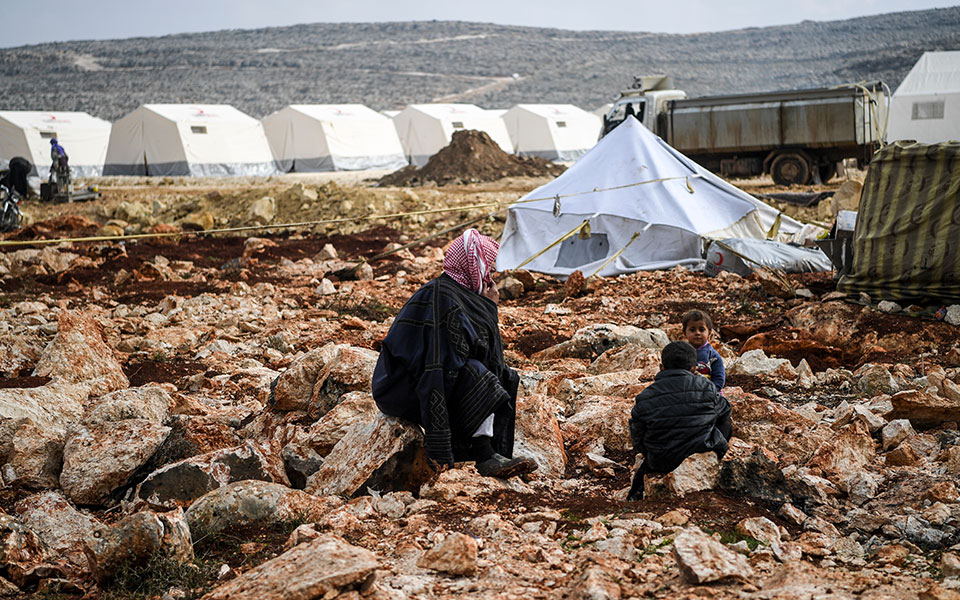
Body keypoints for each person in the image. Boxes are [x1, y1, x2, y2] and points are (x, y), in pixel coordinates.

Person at [372, 229, 537, 479]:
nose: (490, 277)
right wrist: (441, 453)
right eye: (487, 270)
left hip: (421, 377)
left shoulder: (457, 292)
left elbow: (484, 351)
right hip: (399, 387)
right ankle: (484, 454)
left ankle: (489, 451)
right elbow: (439, 365)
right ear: (473, 268)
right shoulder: (444, 297)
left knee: (502, 375)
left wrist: (487, 307)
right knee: (475, 374)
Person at [626, 341, 732, 501]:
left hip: (661, 460)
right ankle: (717, 458)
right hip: (701, 450)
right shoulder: (706, 387)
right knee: (723, 419)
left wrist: (647, 451)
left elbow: (637, 433)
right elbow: (725, 410)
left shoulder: (646, 396)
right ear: (694, 369)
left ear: (661, 368)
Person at [682, 309, 725, 392]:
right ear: (684, 333)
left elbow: (719, 379)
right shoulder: (682, 353)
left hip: (710, 395)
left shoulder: (713, 356)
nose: (697, 333)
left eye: (702, 330)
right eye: (692, 330)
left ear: (709, 332)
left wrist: (712, 392)